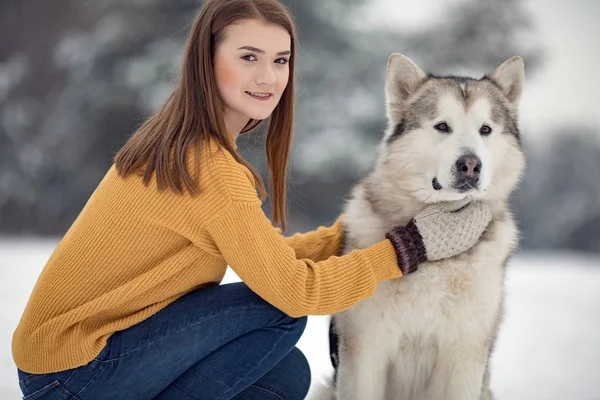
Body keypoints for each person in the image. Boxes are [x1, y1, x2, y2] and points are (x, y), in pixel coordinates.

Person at [12, 0, 492, 399]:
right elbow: (292, 291)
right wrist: (406, 248)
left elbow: (264, 260)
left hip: (85, 357)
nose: (269, 76)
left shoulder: (185, 142)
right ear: (207, 59)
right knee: (278, 311)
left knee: (284, 381)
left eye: (280, 60)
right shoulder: (208, 167)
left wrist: (349, 237)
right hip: (73, 372)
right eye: (248, 57)